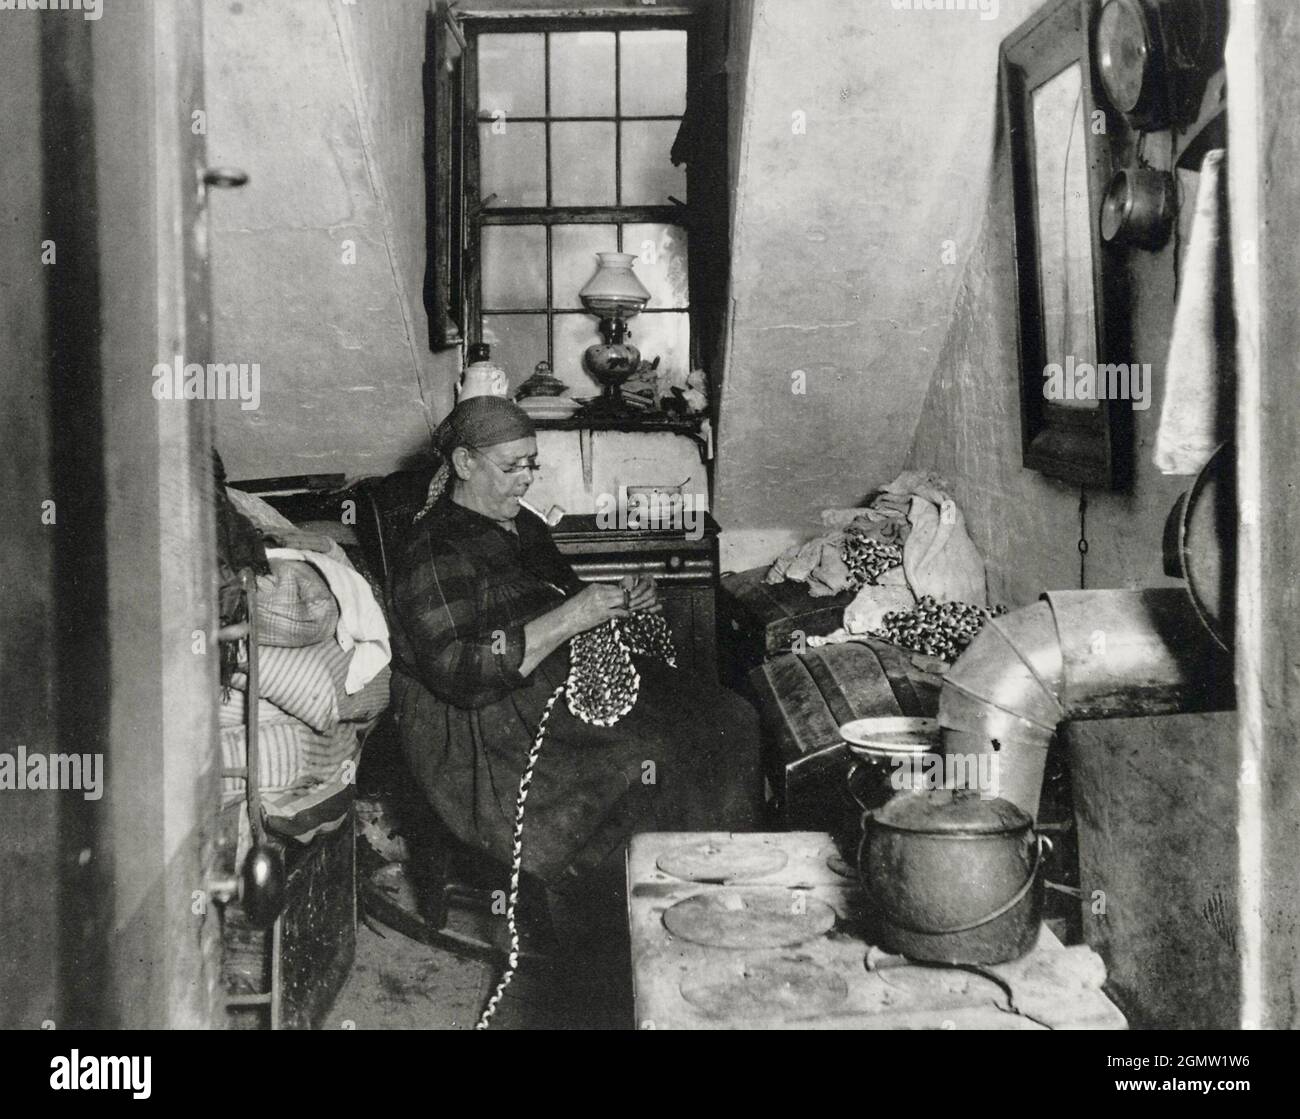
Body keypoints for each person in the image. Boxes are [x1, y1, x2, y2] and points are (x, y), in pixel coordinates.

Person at [386, 397, 762, 984]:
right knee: (650, 754)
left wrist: (617, 600)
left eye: (532, 464)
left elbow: (561, 597)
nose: (527, 479)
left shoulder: (522, 523)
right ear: (463, 462)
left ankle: (716, 898)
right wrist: (575, 615)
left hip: (556, 676)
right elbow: (459, 673)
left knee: (728, 716)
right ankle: (616, 957)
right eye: (512, 467)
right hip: (485, 717)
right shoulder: (432, 550)